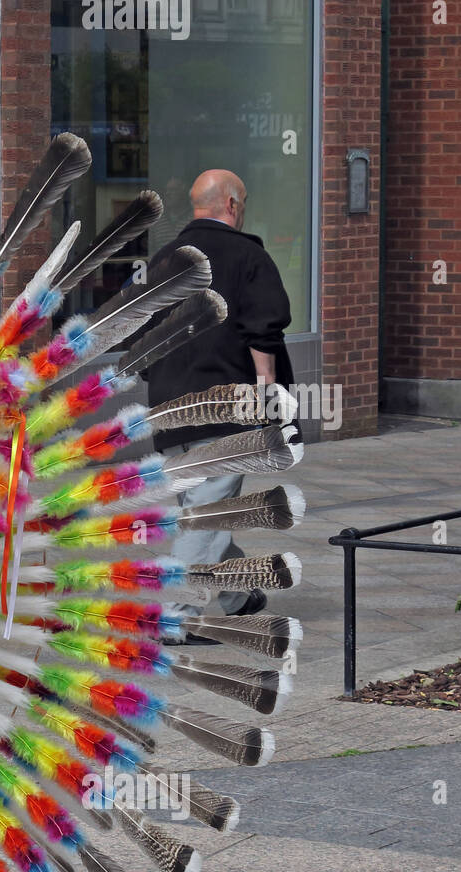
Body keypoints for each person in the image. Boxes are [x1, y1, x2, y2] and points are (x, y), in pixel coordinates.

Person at [143, 168, 294, 640]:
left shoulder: (166, 258)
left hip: (170, 412)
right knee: (205, 517)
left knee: (203, 511)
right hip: (226, 410)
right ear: (231, 204)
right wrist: (267, 394)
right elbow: (263, 329)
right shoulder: (248, 256)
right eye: (243, 200)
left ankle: (238, 595)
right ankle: (174, 619)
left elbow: (143, 335)